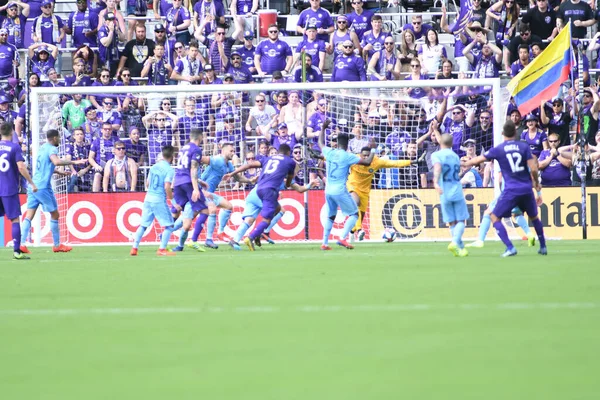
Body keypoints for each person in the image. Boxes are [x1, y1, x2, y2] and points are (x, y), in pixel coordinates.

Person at [463, 120, 547, 257]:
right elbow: (533, 168)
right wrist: (537, 185)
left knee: (494, 217)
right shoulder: (524, 147)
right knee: (534, 217)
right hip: (526, 189)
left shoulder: (499, 149)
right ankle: (543, 246)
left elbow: (479, 159)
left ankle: (510, 247)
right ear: (515, 132)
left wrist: (466, 163)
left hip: (511, 190)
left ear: (502, 133)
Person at [20, 129, 86, 255]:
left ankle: (22, 244)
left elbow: (45, 166)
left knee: (29, 215)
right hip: (43, 187)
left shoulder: (43, 148)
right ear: (55, 138)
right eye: (59, 137)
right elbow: (56, 161)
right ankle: (56, 245)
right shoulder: (52, 149)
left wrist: (59, 172)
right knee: (55, 215)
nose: (60, 140)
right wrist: (73, 162)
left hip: (33, 185)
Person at [225, 143, 297, 251]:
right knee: (273, 214)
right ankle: (255, 235)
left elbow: (249, 165)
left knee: (251, 218)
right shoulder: (290, 162)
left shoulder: (268, 159)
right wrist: (288, 184)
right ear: (288, 153)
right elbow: (291, 181)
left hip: (257, 190)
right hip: (269, 191)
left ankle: (237, 239)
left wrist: (232, 173)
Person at [319, 119, 375, 250]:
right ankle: (343, 238)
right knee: (355, 214)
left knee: (331, 215)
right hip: (339, 190)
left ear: (337, 143)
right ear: (347, 143)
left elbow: (320, 143)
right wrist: (373, 150)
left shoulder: (330, 152)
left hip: (328, 190)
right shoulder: (348, 156)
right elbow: (367, 162)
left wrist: (323, 128)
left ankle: (324, 243)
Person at [348, 145, 419, 241]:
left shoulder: (377, 162)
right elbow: (339, 159)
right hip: (352, 186)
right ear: (360, 155)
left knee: (361, 214)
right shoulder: (354, 159)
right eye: (364, 156)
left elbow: (394, 163)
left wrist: (410, 162)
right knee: (355, 204)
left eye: (368, 156)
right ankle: (360, 230)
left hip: (365, 190)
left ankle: (352, 232)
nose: (366, 158)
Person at [130, 145, 177, 257]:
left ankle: (134, 248)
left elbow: (147, 183)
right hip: (158, 199)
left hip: (148, 198)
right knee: (169, 225)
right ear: (172, 156)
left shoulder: (154, 167)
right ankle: (162, 249)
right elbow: (167, 186)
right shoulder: (169, 170)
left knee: (143, 225)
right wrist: (173, 201)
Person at [0, 122, 36, 260]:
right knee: (14, 219)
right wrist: (31, 183)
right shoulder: (14, 147)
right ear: (12, 132)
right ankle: (16, 251)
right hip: (9, 188)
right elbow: (21, 167)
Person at [171, 129, 209, 252]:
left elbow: (183, 168)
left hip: (178, 182)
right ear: (200, 137)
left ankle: (165, 238)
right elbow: (192, 168)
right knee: (205, 210)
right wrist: (196, 188)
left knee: (176, 212)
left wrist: (198, 181)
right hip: (188, 183)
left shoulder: (184, 148)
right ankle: (193, 240)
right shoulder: (196, 149)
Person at [432, 134, 469, 257]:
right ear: (452, 144)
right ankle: (455, 242)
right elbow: (457, 172)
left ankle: (460, 248)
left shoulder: (436, 155)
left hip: (444, 191)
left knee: (452, 222)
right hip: (457, 190)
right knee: (461, 220)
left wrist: (436, 182)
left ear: (440, 143)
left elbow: (437, 168)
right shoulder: (455, 156)